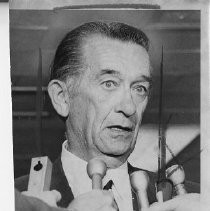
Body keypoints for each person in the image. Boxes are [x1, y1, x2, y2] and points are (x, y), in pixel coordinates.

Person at [15, 21, 200, 211]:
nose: (129, 107)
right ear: (62, 97)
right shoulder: (15, 198)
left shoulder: (193, 200)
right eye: (109, 83)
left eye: (139, 88)